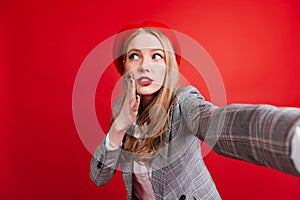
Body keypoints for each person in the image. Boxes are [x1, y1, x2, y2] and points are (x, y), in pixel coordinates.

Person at [90, 21, 300, 200]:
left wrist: (289, 136)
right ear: (124, 65)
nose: (145, 66)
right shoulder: (121, 107)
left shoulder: (184, 102)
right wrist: (119, 126)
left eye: (156, 56)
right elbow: (99, 177)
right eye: (135, 56)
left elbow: (216, 122)